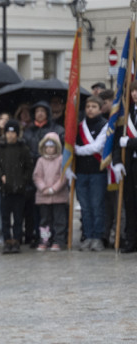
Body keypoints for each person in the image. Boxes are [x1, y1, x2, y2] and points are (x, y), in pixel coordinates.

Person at [0, 119, 32, 254]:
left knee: (18, 217)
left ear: (17, 134)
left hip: (19, 190)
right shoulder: (1, 148)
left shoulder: (23, 148)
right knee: (5, 218)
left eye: (13, 133)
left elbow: (29, 168)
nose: (10, 135)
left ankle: (17, 240)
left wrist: (23, 180)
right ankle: (7, 240)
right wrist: (1, 176)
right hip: (5, 190)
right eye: (8, 132)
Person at [75, 95, 109, 251]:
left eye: (94, 107)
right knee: (85, 207)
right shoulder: (79, 127)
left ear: (100, 109)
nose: (90, 109)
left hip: (97, 171)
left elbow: (96, 147)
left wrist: (78, 150)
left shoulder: (104, 125)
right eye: (88, 106)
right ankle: (87, 236)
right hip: (81, 172)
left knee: (97, 206)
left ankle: (97, 237)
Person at [32, 132, 69, 252]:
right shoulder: (40, 161)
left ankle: (58, 240)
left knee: (59, 220)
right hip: (44, 196)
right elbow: (37, 176)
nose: (49, 149)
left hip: (59, 196)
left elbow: (63, 176)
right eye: (46, 147)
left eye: (51, 146)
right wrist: (44, 188)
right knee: (45, 221)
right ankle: (45, 240)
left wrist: (54, 188)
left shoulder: (62, 160)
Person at [112, 83, 137, 252]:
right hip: (130, 164)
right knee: (130, 203)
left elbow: (125, 141)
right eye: (133, 91)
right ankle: (132, 240)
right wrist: (117, 161)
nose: (135, 94)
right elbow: (116, 141)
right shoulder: (126, 114)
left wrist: (130, 142)